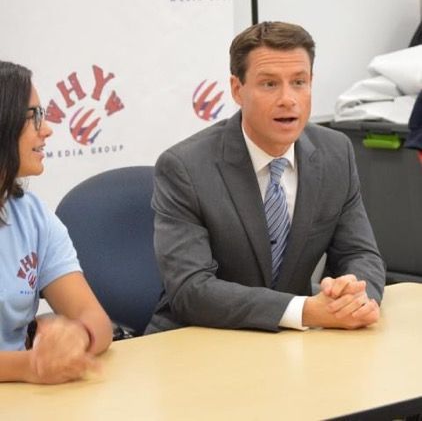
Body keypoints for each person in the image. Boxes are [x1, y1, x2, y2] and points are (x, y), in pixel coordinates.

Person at [145, 21, 385, 335]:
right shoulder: (185, 167)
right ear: (237, 89)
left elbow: (360, 253)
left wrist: (356, 297)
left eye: (299, 82)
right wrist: (305, 310)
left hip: (293, 342)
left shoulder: (335, 152)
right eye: (270, 84)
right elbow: (191, 290)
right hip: (199, 338)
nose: (288, 99)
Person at [0, 61, 113, 384]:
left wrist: (79, 337)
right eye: (33, 116)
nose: (46, 129)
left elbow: (96, 320)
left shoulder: (32, 214)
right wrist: (30, 366)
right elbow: (33, 367)